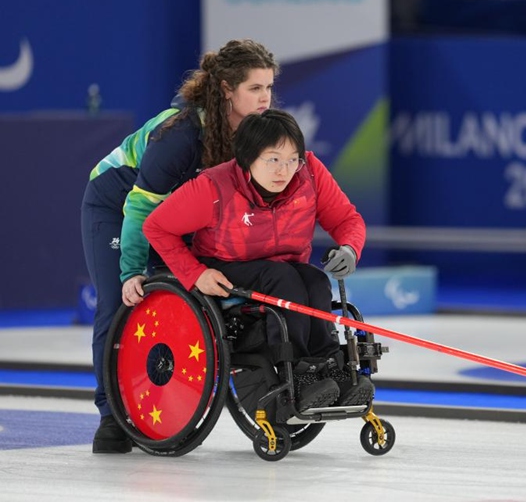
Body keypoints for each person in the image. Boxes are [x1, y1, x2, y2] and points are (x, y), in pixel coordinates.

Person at [81, 39, 279, 454]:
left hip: (173, 217)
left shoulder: (255, 131)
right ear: (227, 89)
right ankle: (112, 417)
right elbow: (140, 208)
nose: (266, 99)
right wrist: (132, 271)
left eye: (269, 88)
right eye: (255, 89)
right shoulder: (181, 133)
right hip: (117, 205)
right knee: (120, 301)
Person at [143, 109, 375, 421]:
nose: (285, 170)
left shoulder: (311, 174)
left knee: (317, 281)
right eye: (273, 159)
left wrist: (350, 248)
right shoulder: (213, 187)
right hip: (226, 264)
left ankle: (331, 368)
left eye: (292, 159)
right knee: (283, 279)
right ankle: (296, 372)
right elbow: (156, 226)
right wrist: (196, 274)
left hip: (282, 267)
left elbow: (347, 219)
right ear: (248, 158)